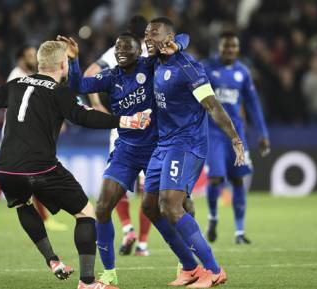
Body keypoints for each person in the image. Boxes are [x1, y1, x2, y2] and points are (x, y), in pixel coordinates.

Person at [0, 40, 152, 289]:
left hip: (5, 168)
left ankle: (52, 260)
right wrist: (126, 121)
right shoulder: (58, 91)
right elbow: (84, 116)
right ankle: (88, 282)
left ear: (39, 63)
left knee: (22, 204)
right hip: (42, 167)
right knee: (86, 214)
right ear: (63, 65)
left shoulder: (16, 84)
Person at [61, 31, 189, 286]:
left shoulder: (151, 65)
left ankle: (187, 263)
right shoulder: (111, 77)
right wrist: (74, 61)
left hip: (158, 148)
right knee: (102, 207)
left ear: (138, 50)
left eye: (125, 48)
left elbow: (185, 38)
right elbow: (78, 86)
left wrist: (173, 44)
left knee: (174, 207)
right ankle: (109, 273)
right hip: (126, 151)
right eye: (117, 47)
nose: (119, 51)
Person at [142, 17, 245, 288]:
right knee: (150, 207)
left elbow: (212, 104)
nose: (147, 38)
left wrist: (235, 138)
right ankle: (189, 268)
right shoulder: (155, 61)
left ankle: (213, 270)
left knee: (170, 206)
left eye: (153, 33)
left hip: (187, 144)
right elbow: (181, 37)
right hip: (163, 144)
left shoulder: (188, 68)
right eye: (146, 34)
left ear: (169, 38)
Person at [0, 45, 68, 232]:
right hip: (17, 133)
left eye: (34, 54)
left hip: (22, 133)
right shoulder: (17, 77)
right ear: (20, 59)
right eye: (30, 55)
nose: (34, 58)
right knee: (28, 173)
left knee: (28, 173)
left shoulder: (25, 76)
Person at [83, 15, 153, 257]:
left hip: (121, 125)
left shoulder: (117, 50)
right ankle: (143, 243)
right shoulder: (151, 51)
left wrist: (95, 104)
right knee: (147, 189)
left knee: (116, 185)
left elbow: (89, 73)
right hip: (150, 129)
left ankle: (127, 228)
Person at [202, 32, 270, 244]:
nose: (229, 50)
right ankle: (213, 218)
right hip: (213, 132)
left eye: (233, 47)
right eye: (226, 47)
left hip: (236, 133)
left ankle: (239, 232)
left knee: (238, 179)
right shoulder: (206, 68)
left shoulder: (243, 72)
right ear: (219, 47)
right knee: (215, 178)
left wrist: (263, 134)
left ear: (238, 49)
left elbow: (253, 105)